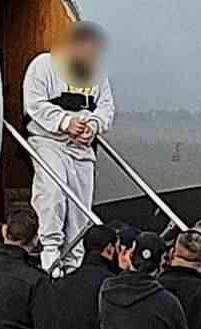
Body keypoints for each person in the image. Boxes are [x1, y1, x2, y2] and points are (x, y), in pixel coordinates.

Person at [24, 21, 115, 272]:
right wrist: (65, 122)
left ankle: (74, 261)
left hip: (82, 147)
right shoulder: (43, 65)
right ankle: (50, 253)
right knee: (52, 193)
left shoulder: (97, 74)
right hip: (49, 140)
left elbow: (106, 108)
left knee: (80, 207)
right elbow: (34, 103)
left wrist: (93, 126)